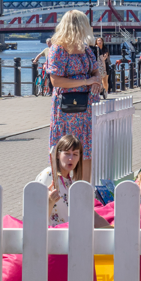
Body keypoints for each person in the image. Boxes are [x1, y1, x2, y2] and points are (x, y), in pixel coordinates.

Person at [46, 10, 103, 184]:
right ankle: (62, 191)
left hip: (85, 108)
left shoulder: (85, 49)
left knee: (85, 150)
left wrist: (96, 80)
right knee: (66, 149)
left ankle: (83, 190)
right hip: (67, 109)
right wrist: (87, 81)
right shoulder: (58, 49)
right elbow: (55, 81)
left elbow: (96, 71)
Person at [37, 133, 83, 226]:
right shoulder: (48, 175)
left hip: (68, 234)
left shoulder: (72, 181)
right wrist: (50, 200)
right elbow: (36, 216)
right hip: (51, 236)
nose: (71, 158)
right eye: (66, 154)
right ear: (58, 155)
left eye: (75, 154)